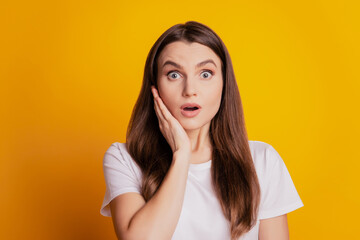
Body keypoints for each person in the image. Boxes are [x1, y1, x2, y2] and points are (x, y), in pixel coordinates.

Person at [100, 21, 304, 240]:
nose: (190, 90)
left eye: (205, 74)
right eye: (174, 75)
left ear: (225, 85)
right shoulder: (123, 159)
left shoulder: (262, 161)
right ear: (155, 87)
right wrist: (181, 154)